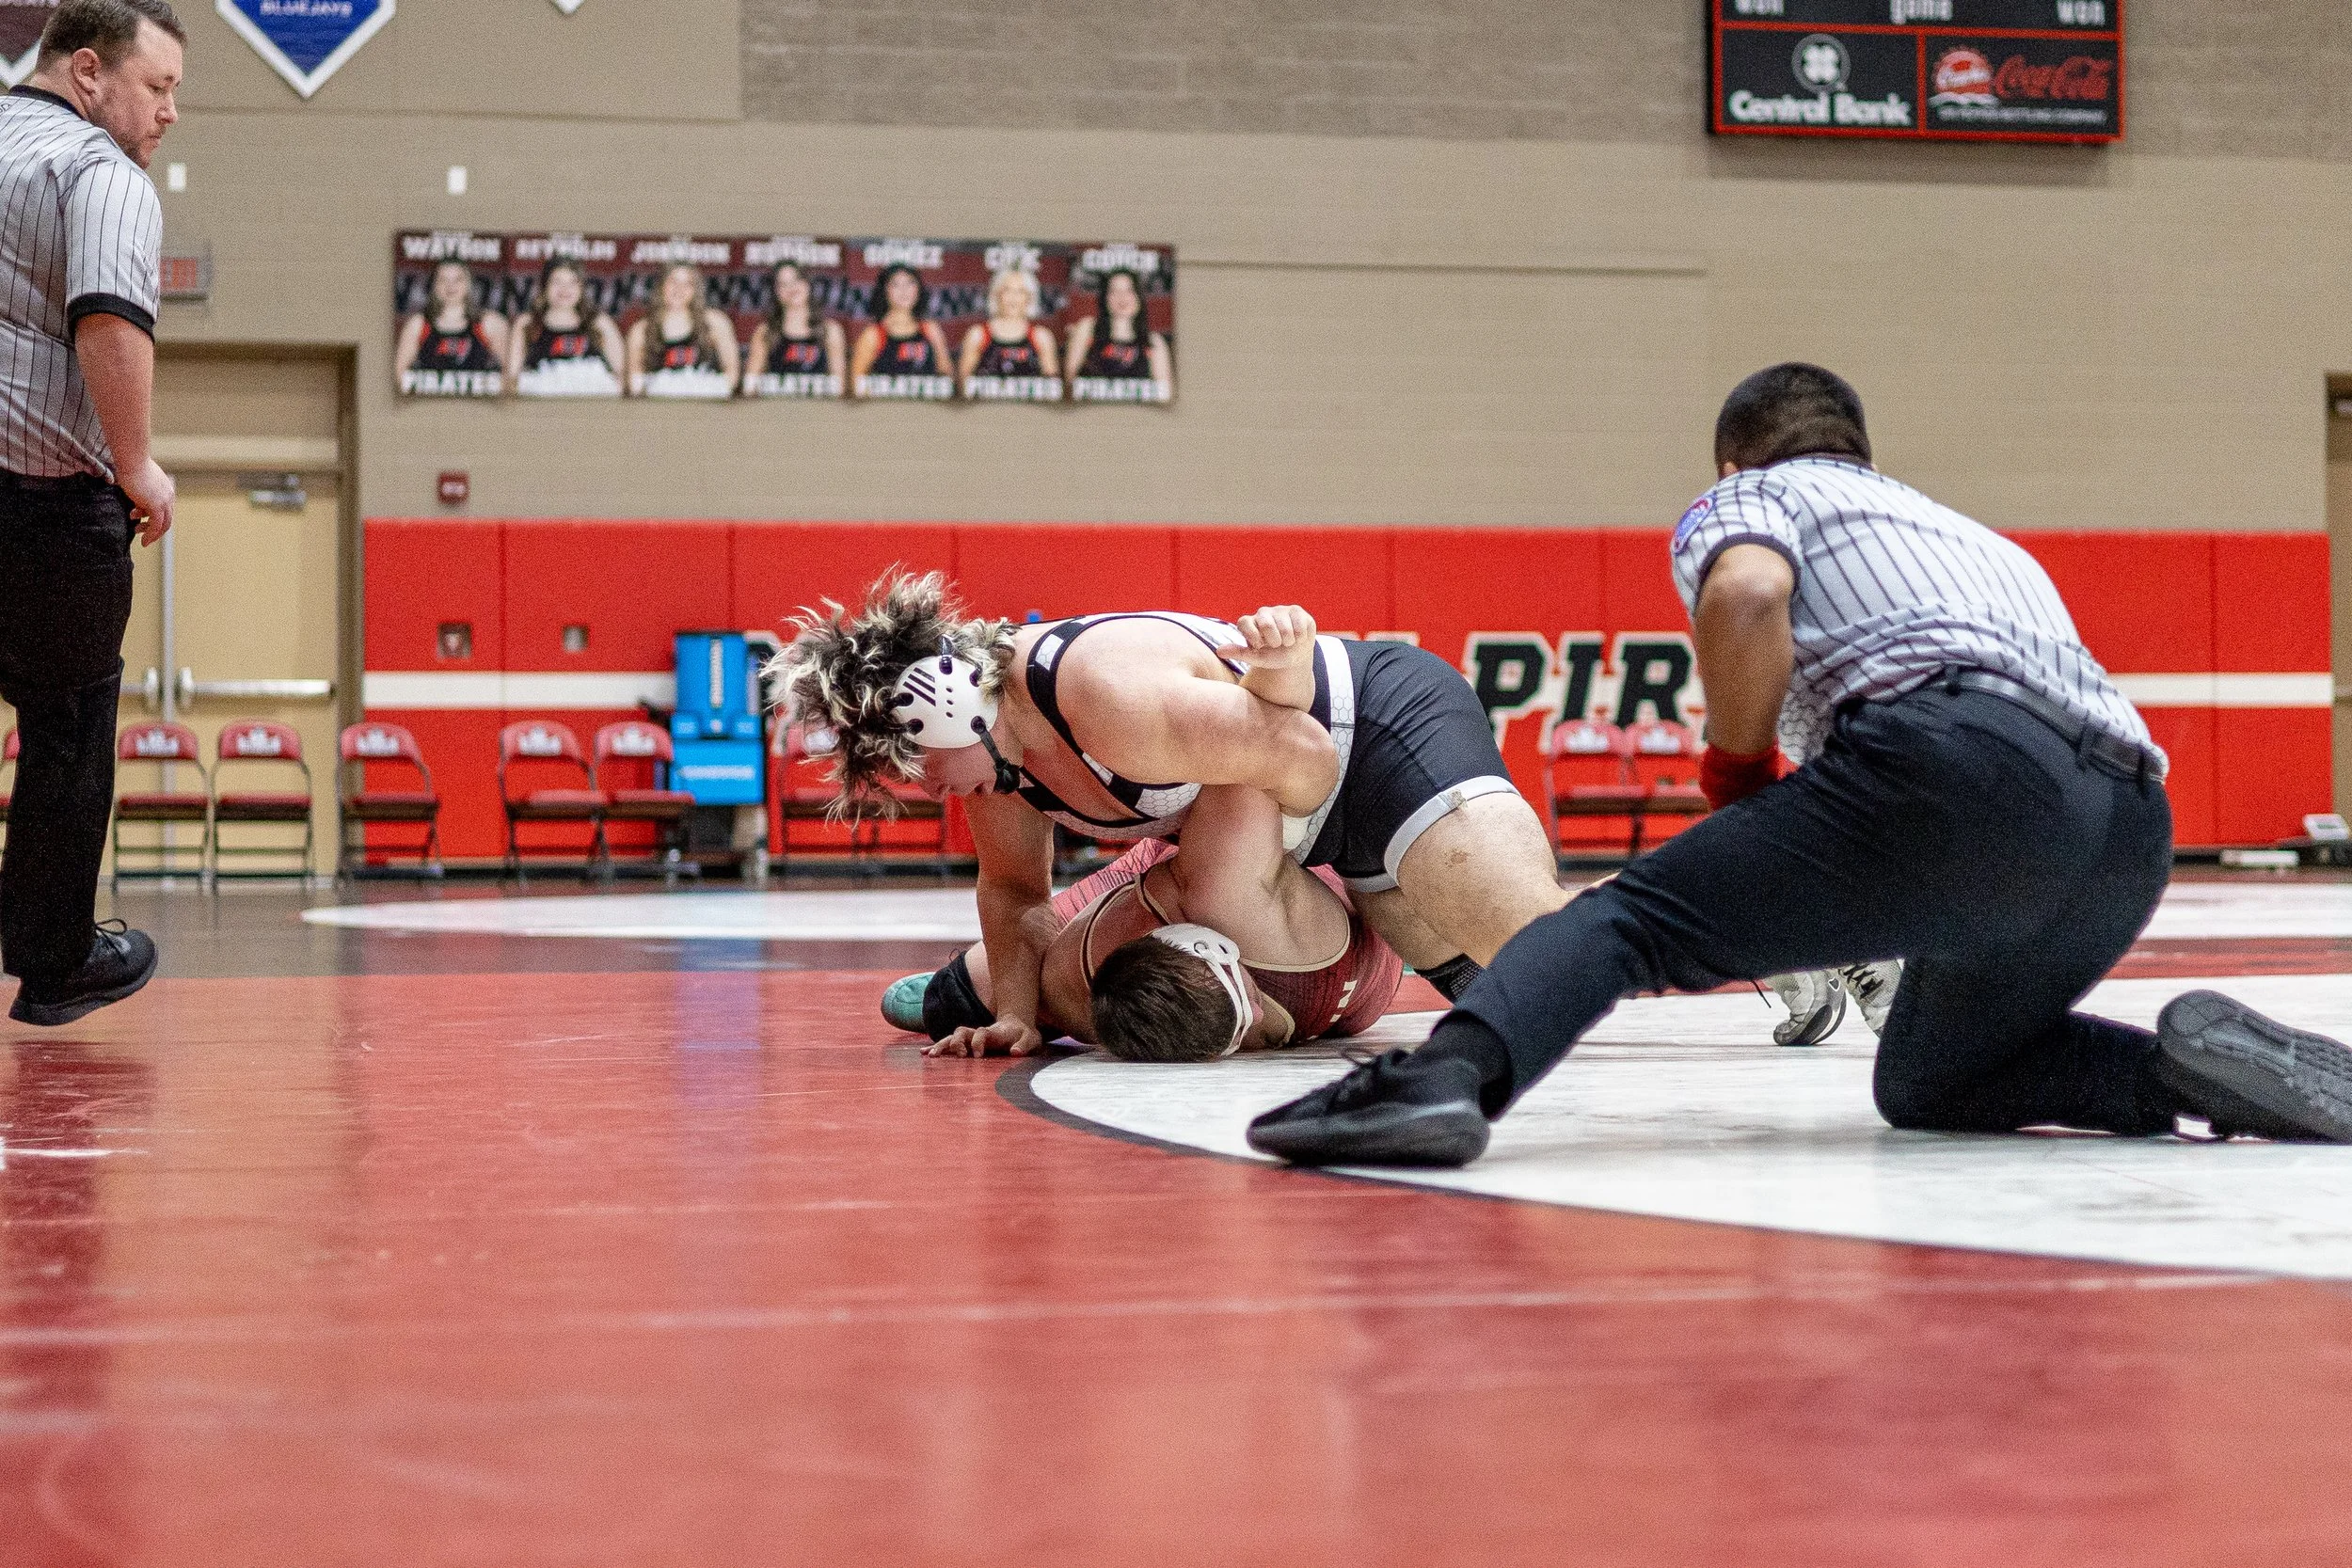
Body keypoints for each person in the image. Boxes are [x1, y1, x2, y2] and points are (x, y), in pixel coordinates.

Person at [1248, 363, 2352, 1167]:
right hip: (2125, 829)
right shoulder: (1970, 533)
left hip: (1960, 767)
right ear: (1865, 453)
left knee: (1620, 921)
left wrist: (1734, 766)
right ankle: (2186, 1074)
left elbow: (1746, 595)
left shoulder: (1753, 498)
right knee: (1932, 1075)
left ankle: (1444, 1078)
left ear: (1734, 459)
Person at [778, 572, 1575, 1060]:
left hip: (1367, 732)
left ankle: (1694, 892)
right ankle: (994, 982)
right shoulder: (1004, 761)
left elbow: (1305, 755)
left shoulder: (1107, 697)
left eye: (920, 766)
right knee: (1022, 983)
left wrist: (1246, 877)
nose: (931, 789)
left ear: (950, 712)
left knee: (1542, 954)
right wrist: (1017, 1018)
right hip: (1256, 812)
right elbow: (1014, 891)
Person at [0, 0, 183, 1026]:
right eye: (156, 89)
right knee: (69, 726)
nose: (167, 116)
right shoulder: (101, 174)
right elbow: (109, 318)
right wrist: (138, 465)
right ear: (86, 73)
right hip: (43, 509)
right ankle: (55, 958)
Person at [889, 783, 1403, 1060]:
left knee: (956, 998)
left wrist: (1018, 1013)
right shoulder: (1227, 892)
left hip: (1363, 974)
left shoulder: (1073, 990)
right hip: (1325, 917)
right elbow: (1259, 753)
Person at [508, 257, 624, 398]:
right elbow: (512, 377)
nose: (565, 289)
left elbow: (622, 375)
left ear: (582, 288)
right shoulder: (527, 323)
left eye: (572, 282)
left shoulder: (599, 323)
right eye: (557, 282)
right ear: (544, 286)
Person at [393, 258, 507, 397]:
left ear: (468, 283)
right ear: (434, 285)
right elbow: (397, 377)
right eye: (443, 280)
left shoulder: (490, 323)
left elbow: (511, 375)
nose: (450, 286)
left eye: (458, 279)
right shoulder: (418, 324)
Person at [625, 261, 738, 399]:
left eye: (687, 284)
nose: (679, 289)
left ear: (695, 290)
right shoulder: (641, 330)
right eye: (673, 282)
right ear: (661, 285)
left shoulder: (715, 322)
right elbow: (634, 382)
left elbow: (732, 373)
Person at [1065, 268, 1172, 404]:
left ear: (1139, 297)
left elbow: (1165, 399)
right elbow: (1069, 386)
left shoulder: (1154, 342)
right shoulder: (1087, 329)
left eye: (1129, 290)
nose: (1122, 298)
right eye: (1114, 291)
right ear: (1105, 298)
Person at [848, 264, 953, 400]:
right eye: (895, 285)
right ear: (885, 291)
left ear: (918, 289)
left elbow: (947, 377)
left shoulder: (931, 330)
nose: (904, 291)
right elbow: (856, 385)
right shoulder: (873, 334)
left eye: (910, 283)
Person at [743, 260, 845, 399]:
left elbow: (839, 386)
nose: (791, 288)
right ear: (776, 291)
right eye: (783, 284)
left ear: (807, 284)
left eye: (796, 280)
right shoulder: (765, 332)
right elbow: (750, 385)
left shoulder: (830, 331)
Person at [957, 268, 1060, 402]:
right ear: (996, 294)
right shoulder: (978, 335)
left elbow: (1053, 388)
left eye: (1020, 291)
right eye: (1007, 290)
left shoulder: (1041, 336)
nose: (1013, 298)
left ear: (1030, 297)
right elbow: (963, 385)